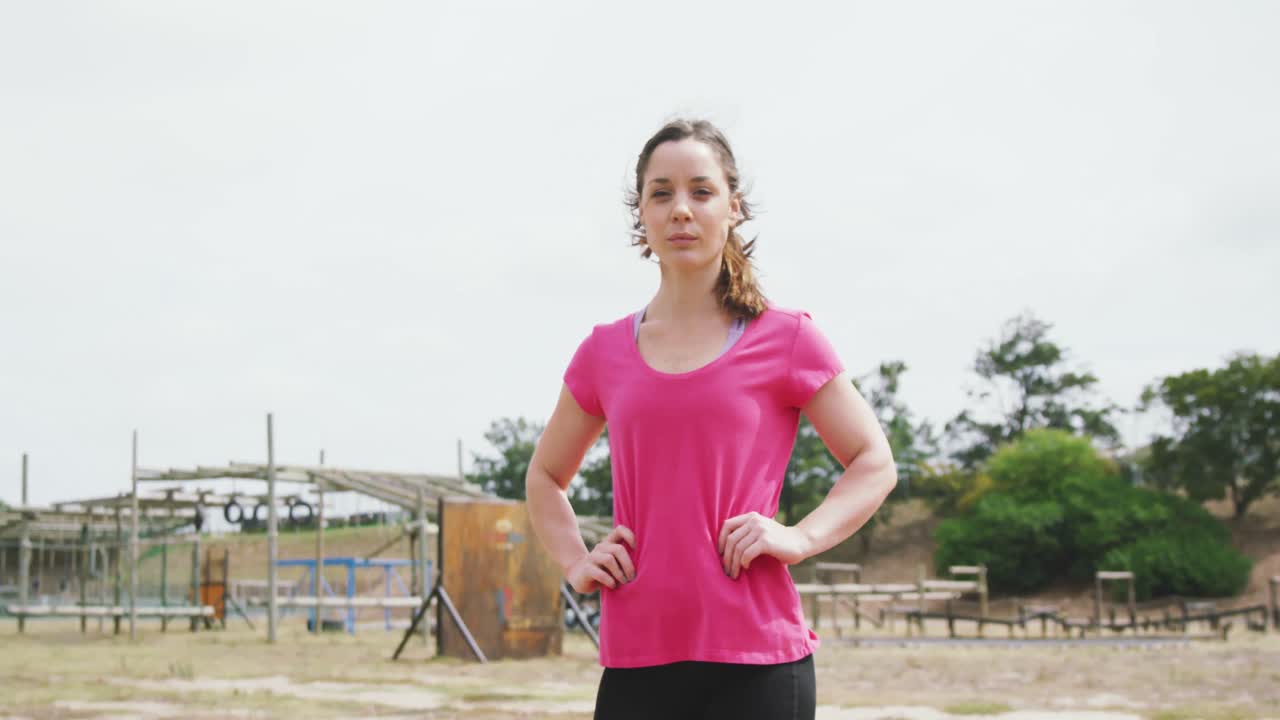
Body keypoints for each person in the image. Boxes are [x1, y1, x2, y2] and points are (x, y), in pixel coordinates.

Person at [525, 118, 898, 720]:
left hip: (758, 661)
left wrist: (800, 538)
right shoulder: (604, 351)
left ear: (733, 207)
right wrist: (576, 561)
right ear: (640, 213)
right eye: (661, 192)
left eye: (701, 191)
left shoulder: (788, 338)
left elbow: (874, 462)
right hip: (636, 661)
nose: (680, 210)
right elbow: (544, 477)